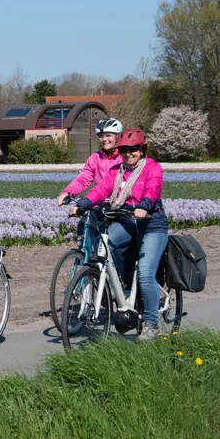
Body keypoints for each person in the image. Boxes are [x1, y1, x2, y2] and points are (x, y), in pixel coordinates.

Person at [68, 128, 168, 341]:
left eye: (133, 150)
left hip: (151, 225)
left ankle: (151, 323)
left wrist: (145, 205)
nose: (128, 154)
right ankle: (121, 283)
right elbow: (101, 189)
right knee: (105, 246)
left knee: (145, 274)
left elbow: (152, 189)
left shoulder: (153, 168)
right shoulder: (117, 170)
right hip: (127, 223)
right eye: (124, 150)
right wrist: (84, 203)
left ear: (142, 150)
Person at [57, 118, 123, 206]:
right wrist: (68, 192)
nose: (104, 139)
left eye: (108, 135)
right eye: (101, 136)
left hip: (122, 202)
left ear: (117, 137)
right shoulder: (95, 158)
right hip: (101, 202)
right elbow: (82, 180)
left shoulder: (125, 157)